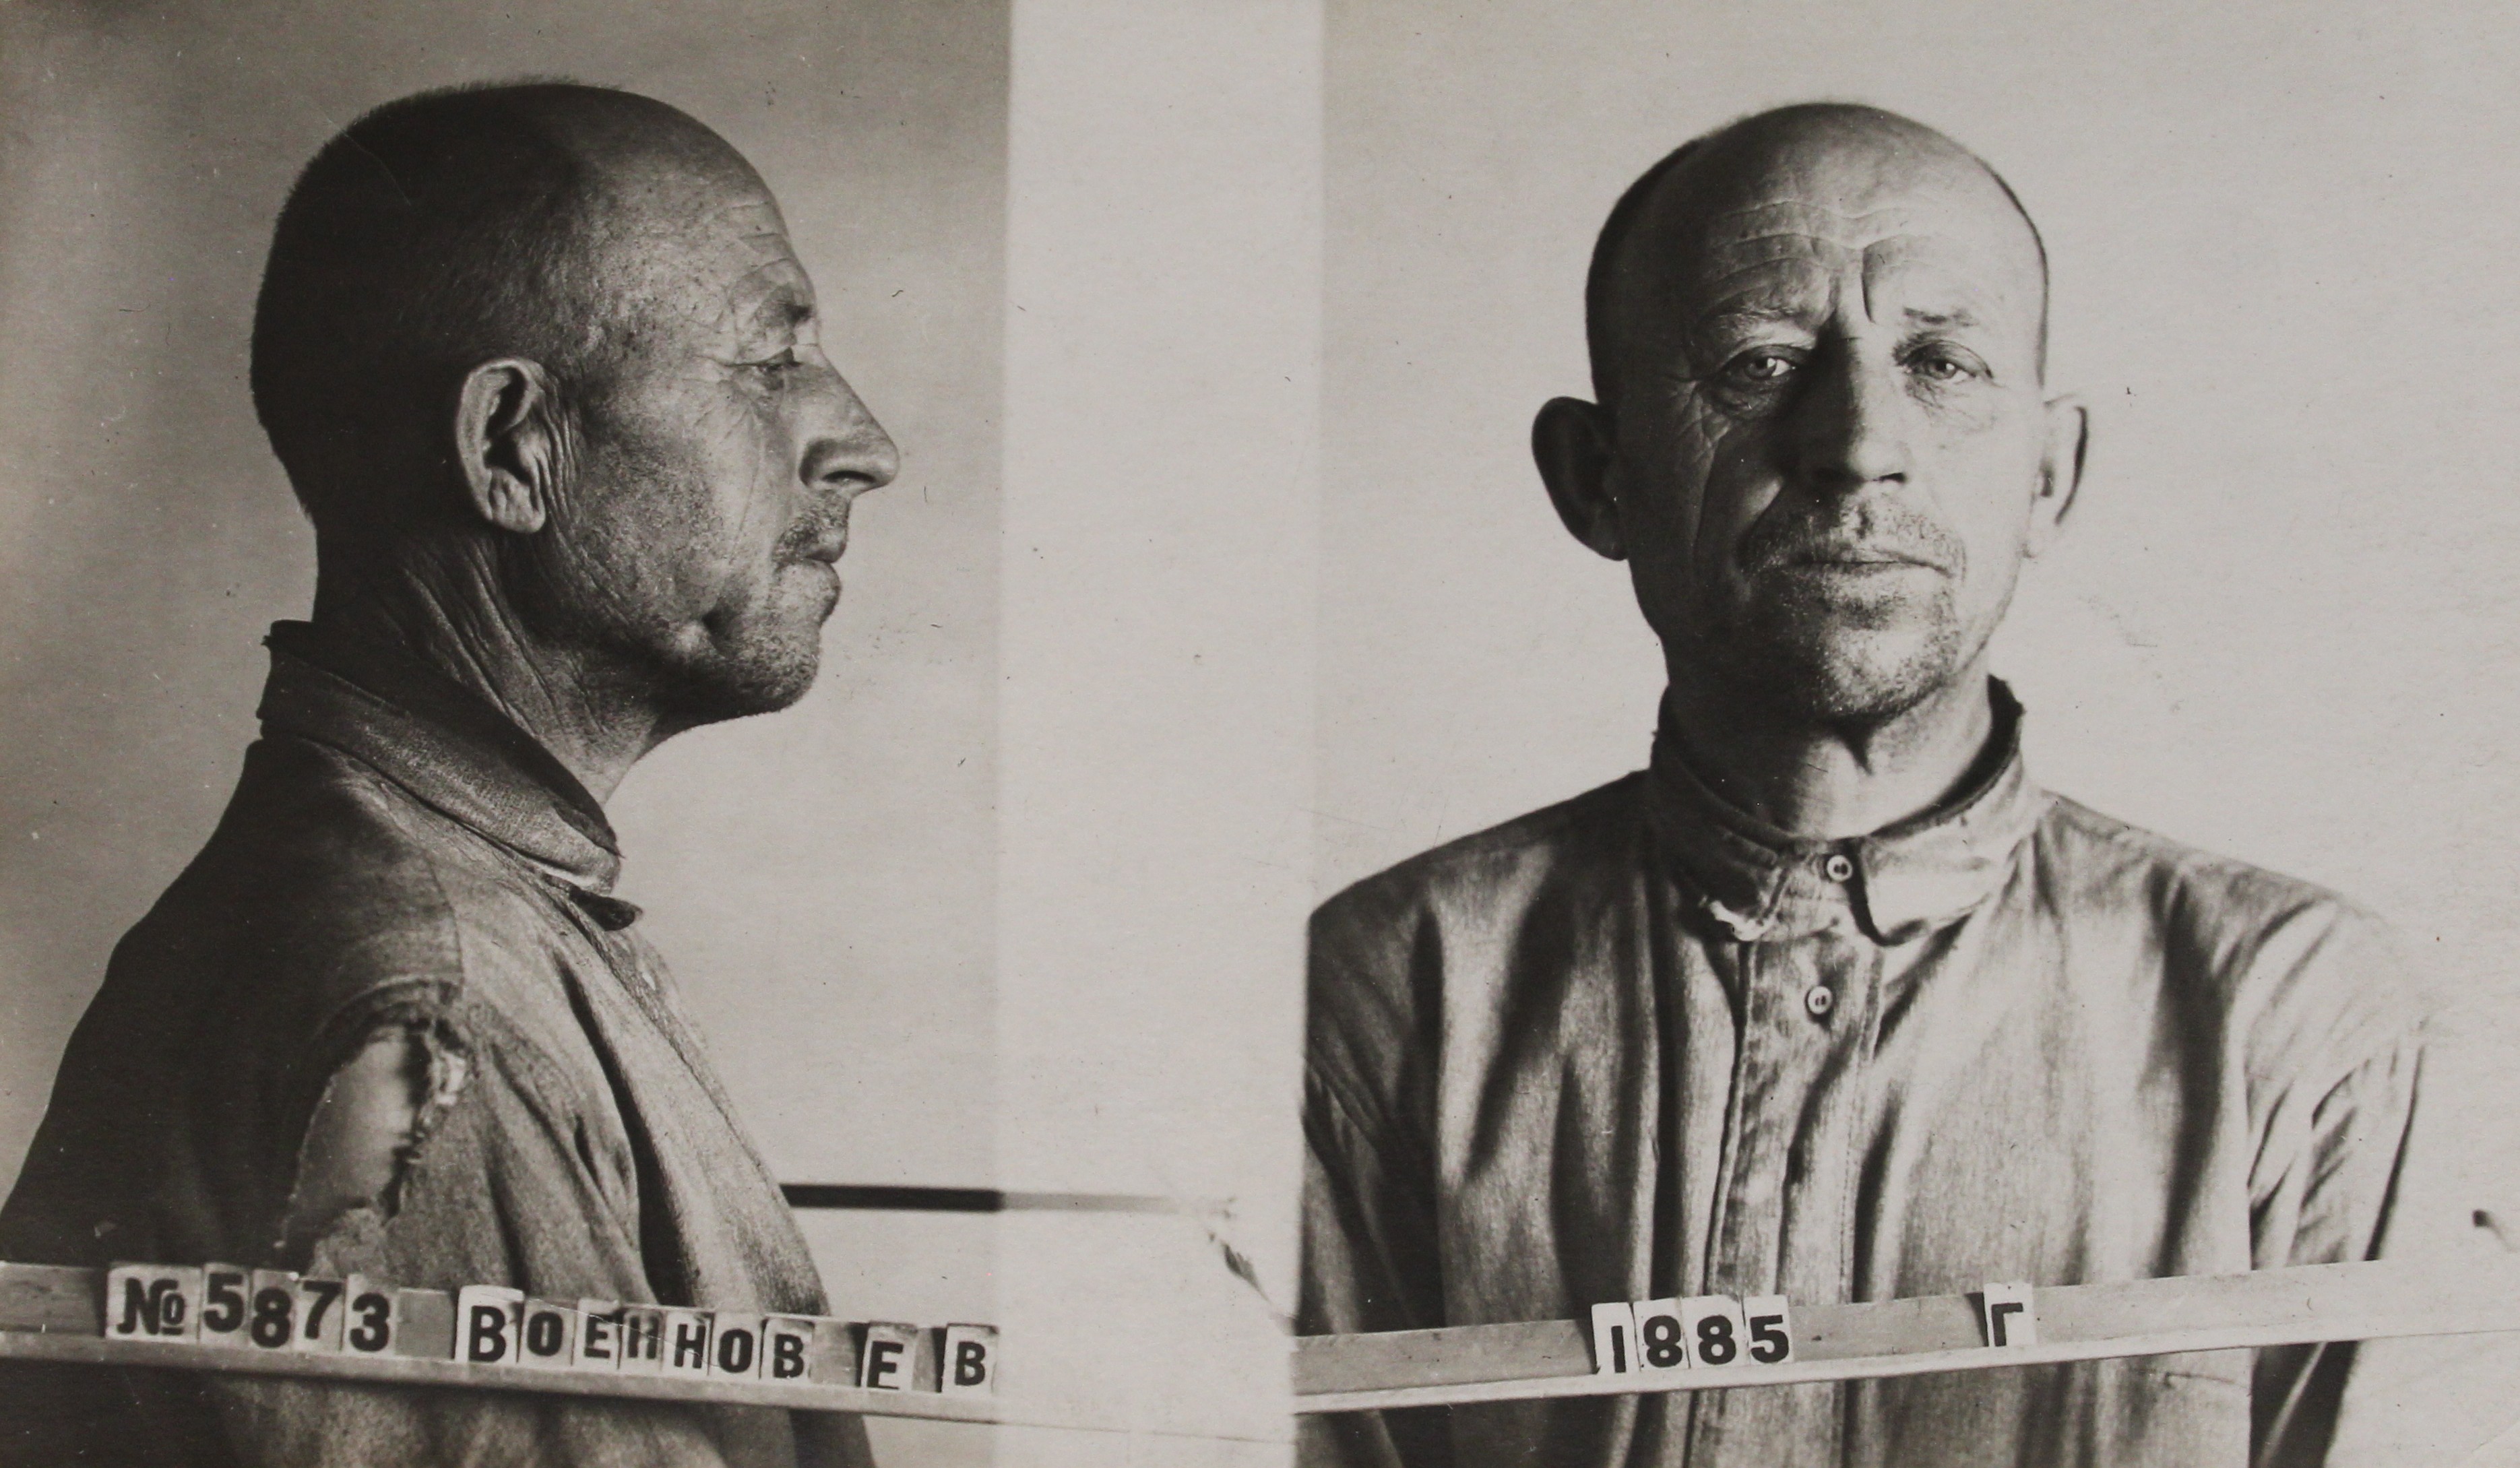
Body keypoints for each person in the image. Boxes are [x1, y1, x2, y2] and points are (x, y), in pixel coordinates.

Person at [1298, 103, 2435, 1467]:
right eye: (1760, 362)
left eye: (1941, 363)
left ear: (2050, 475)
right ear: (1598, 478)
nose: (1855, 444)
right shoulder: (1385, 998)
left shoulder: (2302, 1023)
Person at [0, 81, 898, 1467]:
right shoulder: (433, 1006)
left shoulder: (455, 918)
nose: (865, 445)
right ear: (509, 448)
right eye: (769, 363)